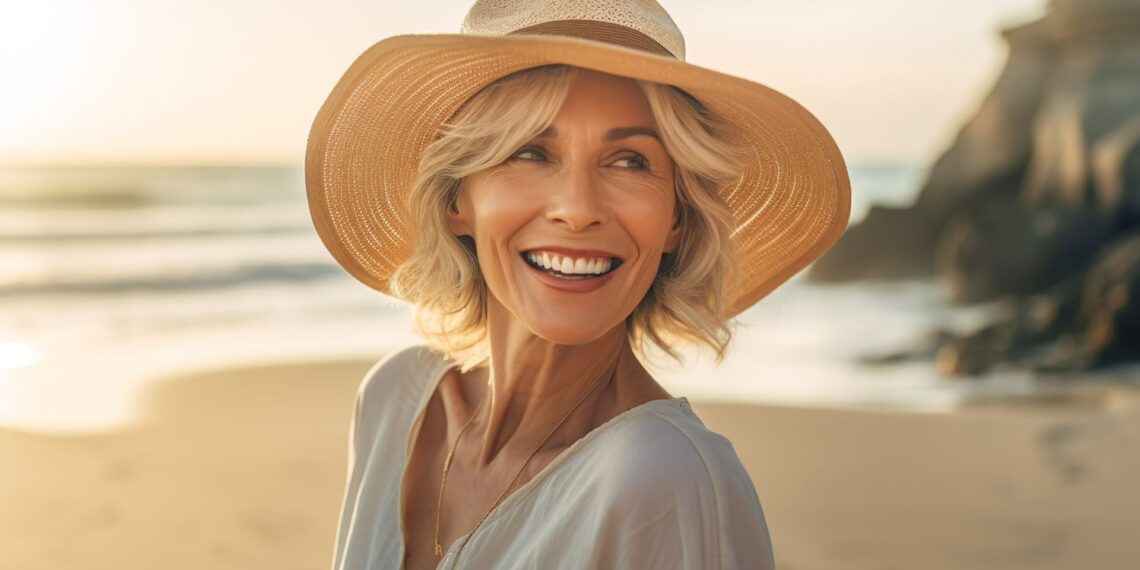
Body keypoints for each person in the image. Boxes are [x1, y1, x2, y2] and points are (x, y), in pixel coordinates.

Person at [305, 1, 850, 569]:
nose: (578, 209)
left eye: (630, 161)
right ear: (454, 200)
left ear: (677, 218)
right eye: (530, 151)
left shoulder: (666, 479)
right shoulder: (394, 399)